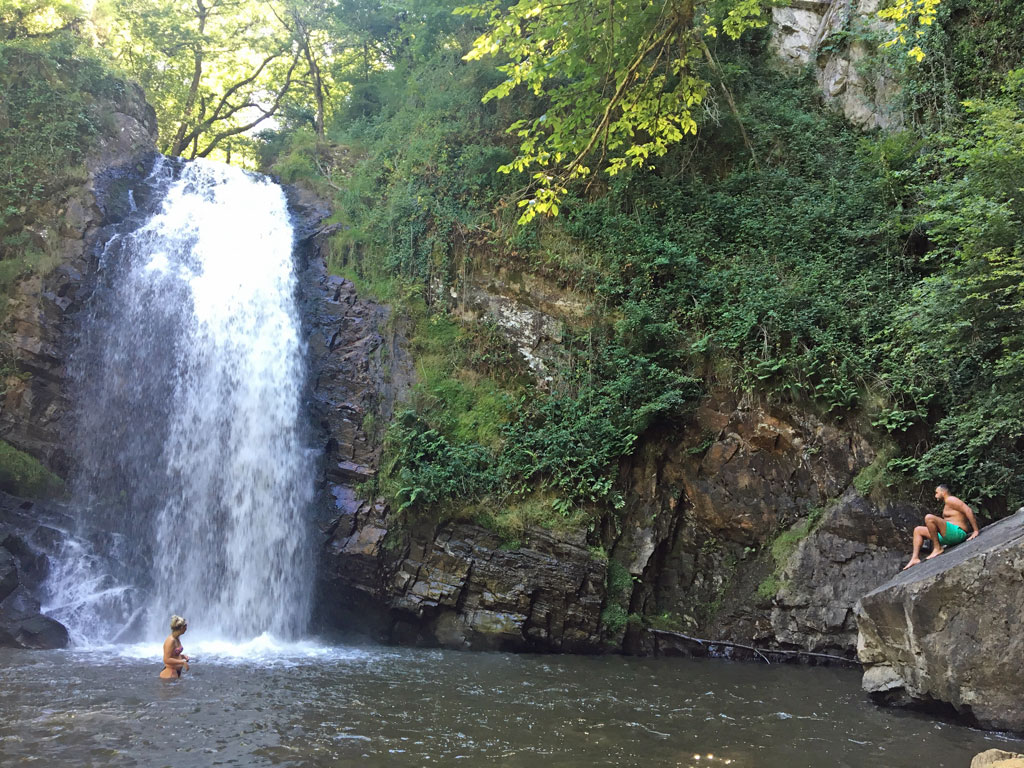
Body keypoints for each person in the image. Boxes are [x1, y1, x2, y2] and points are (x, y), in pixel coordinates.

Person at [903, 485, 980, 570]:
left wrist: (975, 530)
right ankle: (915, 558)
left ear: (943, 492)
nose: (935, 495)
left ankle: (937, 548)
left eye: (936, 493)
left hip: (958, 533)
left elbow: (968, 510)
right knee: (918, 530)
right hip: (948, 536)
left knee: (929, 518)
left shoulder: (951, 499)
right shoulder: (947, 503)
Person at [159, 615, 190, 679]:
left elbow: (173, 655)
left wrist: (182, 656)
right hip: (169, 674)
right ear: (181, 628)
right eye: (185, 627)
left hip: (175, 672)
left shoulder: (177, 638)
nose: (186, 629)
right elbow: (166, 659)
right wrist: (182, 662)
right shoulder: (171, 640)